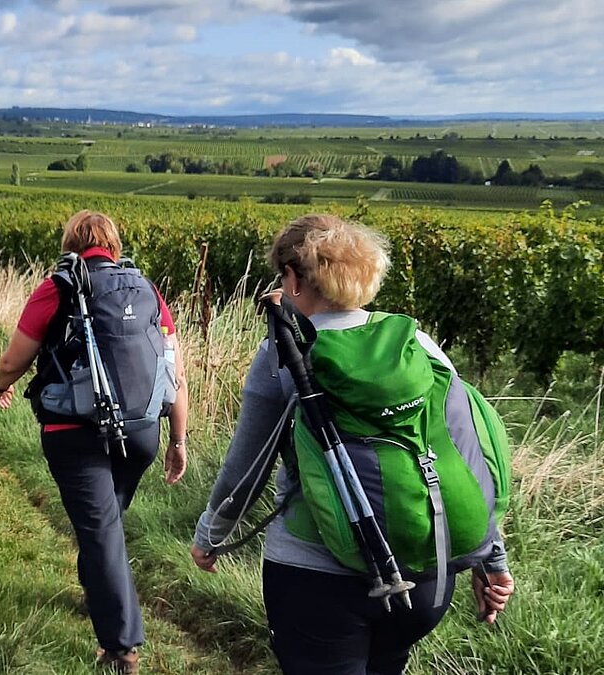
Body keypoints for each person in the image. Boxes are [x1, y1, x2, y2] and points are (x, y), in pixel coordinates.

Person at [190, 214, 515, 675]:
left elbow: (247, 468)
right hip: (424, 580)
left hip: (316, 581)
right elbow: (463, 454)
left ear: (295, 279)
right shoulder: (417, 344)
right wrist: (490, 557)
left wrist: (211, 535)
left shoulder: (283, 352)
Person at [0, 210, 189, 674]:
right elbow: (175, 373)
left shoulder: (57, 287)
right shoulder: (146, 290)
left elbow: (12, 360)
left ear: (70, 243)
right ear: (114, 245)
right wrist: (178, 438)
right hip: (141, 432)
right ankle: (102, 599)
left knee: (100, 531)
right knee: (103, 525)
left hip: (74, 433)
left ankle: (121, 648)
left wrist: (1, 384)